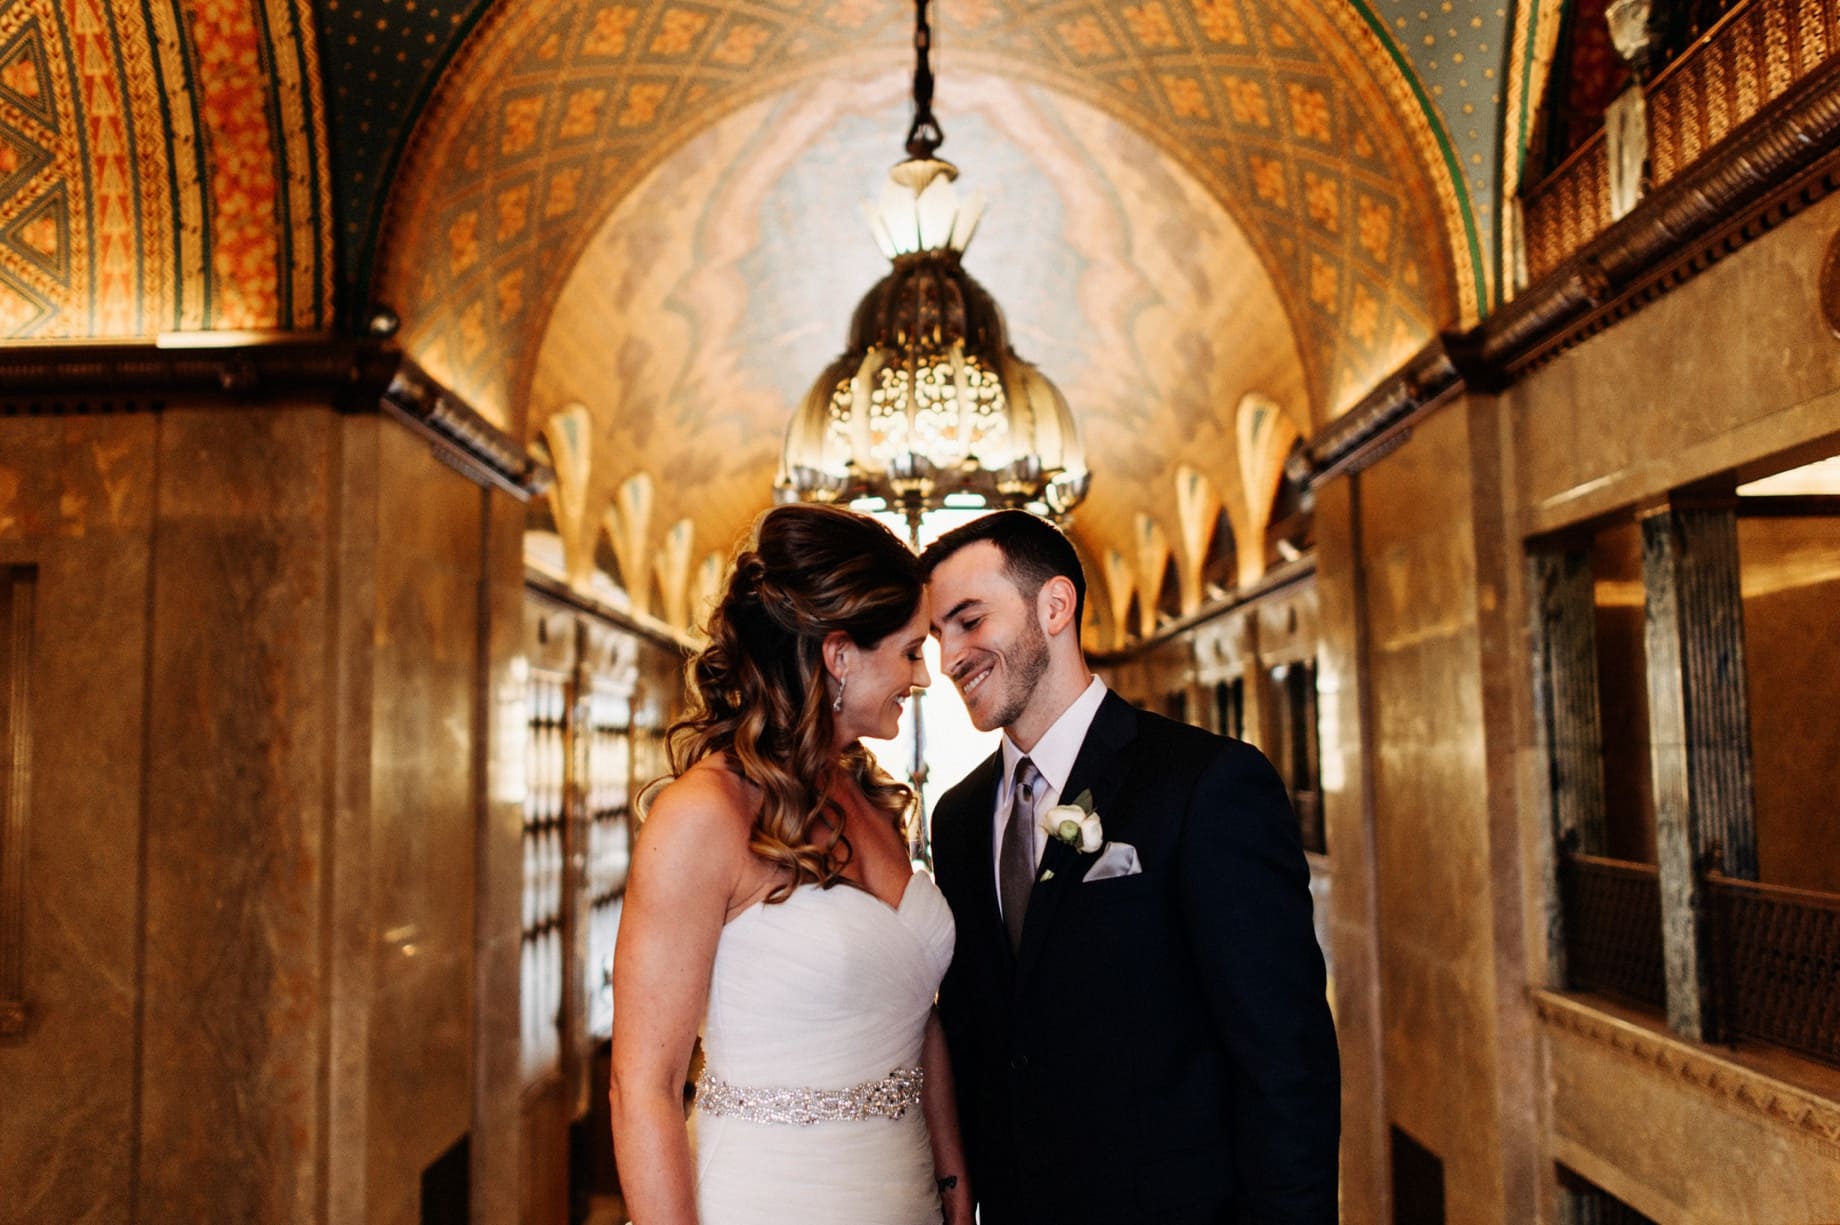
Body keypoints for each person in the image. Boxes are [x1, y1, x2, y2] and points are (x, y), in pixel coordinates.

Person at [920, 510, 1340, 1225]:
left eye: (968, 621)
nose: (950, 656)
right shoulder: (957, 819)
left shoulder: (1206, 784)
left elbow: (1284, 1061)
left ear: (1055, 606)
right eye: (936, 636)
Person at [609, 504, 972, 1225]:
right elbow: (642, 1084)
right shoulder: (703, 816)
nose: (923, 676)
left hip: (905, 1194)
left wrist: (956, 1193)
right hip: (765, 1195)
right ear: (839, 655)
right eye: (907, 650)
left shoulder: (867, 792)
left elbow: (917, 1016)